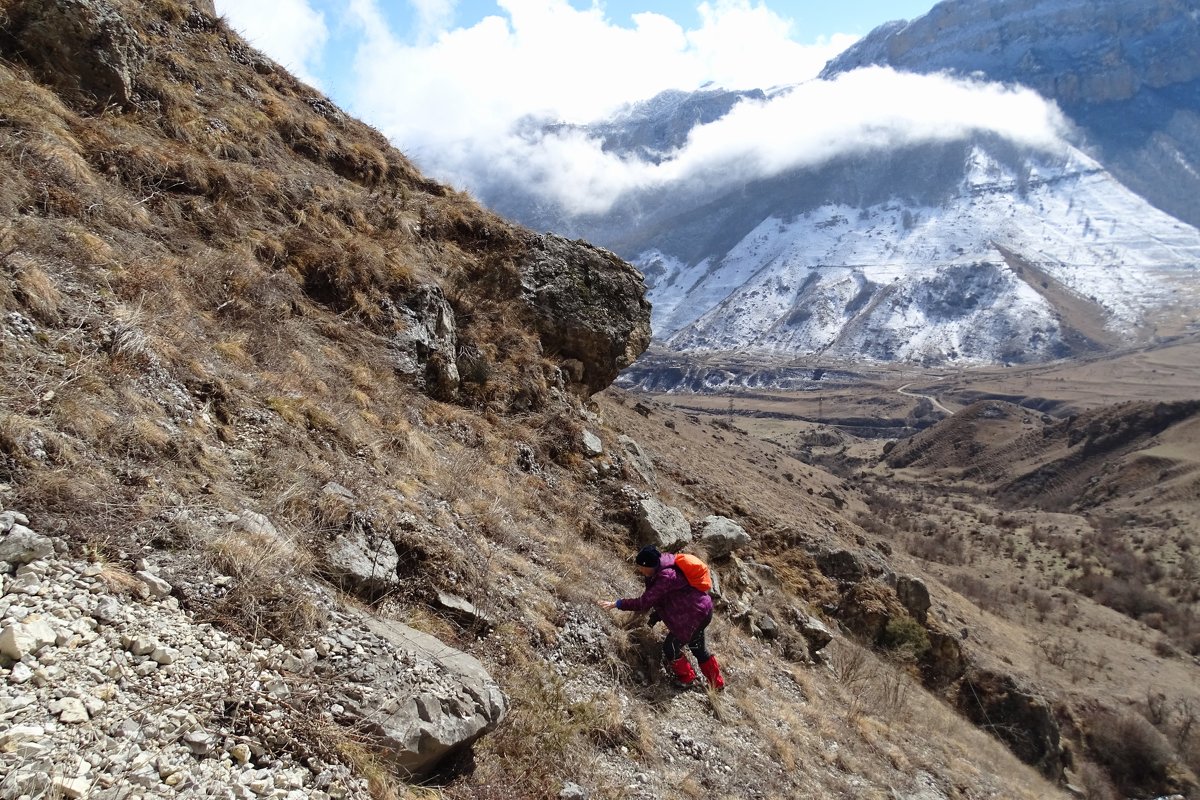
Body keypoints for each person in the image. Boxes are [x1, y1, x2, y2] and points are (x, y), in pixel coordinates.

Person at [598, 544, 725, 690]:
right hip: (701, 611)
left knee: (670, 646)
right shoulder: (661, 566)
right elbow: (668, 596)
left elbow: (644, 602)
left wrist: (618, 603)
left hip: (694, 615)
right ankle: (717, 684)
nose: (639, 570)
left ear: (649, 565)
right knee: (697, 648)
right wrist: (657, 615)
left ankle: (687, 678)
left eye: (641, 567)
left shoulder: (665, 576)